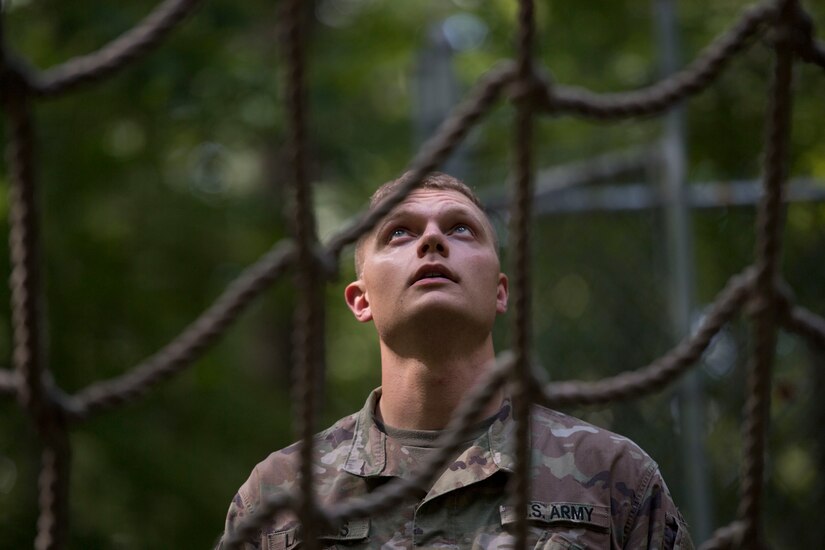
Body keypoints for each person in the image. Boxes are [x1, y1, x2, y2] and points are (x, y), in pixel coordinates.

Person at [220, 172, 694, 549]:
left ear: (500, 291)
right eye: (399, 232)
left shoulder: (614, 476)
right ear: (360, 300)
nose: (431, 240)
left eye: (460, 228)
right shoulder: (279, 495)